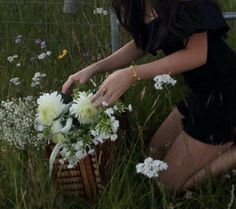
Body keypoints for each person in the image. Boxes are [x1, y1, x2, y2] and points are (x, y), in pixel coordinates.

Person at [62, 0, 236, 192]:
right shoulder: (141, 4)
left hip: (227, 96)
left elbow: (196, 55)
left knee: (165, 186)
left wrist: (131, 74)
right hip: (202, 94)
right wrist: (94, 68)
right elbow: (143, 43)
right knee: (151, 159)